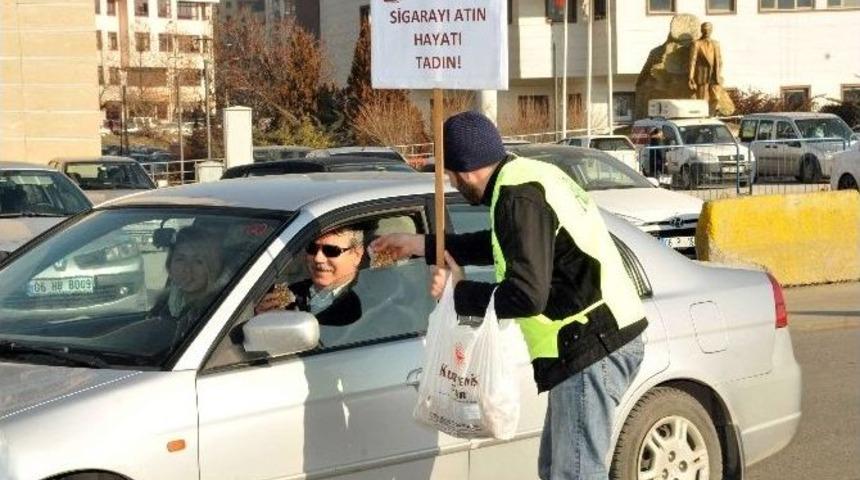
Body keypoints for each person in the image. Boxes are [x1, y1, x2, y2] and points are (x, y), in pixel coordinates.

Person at [371, 111, 648, 480]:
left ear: (466, 171)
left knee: (574, 474)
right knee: (556, 470)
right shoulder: (529, 176)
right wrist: (422, 244)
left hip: (589, 342)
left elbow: (527, 296)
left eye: (451, 176)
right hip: (597, 337)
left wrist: (460, 293)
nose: (452, 184)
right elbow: (505, 245)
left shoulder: (518, 198)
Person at [256, 226, 365, 326]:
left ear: (357, 255)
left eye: (331, 251)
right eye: (312, 248)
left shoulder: (368, 304)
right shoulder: (290, 292)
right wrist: (260, 319)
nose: (318, 258)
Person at [154, 226, 225, 345]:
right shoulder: (165, 303)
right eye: (180, 259)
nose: (187, 269)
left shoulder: (218, 309)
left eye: (198, 261)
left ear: (212, 267)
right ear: (170, 264)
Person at [688, 22, 723, 114]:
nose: (707, 31)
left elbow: (719, 59)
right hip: (702, 75)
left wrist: (719, 72)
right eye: (705, 30)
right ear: (701, 30)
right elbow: (692, 61)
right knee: (703, 99)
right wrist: (691, 77)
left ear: (711, 30)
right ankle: (703, 116)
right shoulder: (696, 44)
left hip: (714, 76)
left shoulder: (716, 43)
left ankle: (712, 114)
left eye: (708, 29)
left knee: (716, 97)